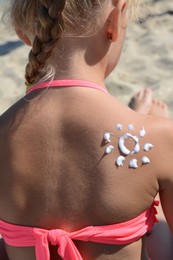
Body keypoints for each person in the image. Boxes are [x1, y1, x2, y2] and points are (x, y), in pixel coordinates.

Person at [1, 0, 173, 259]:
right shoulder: (161, 137)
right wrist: (149, 123)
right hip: (139, 136)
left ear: (23, 34)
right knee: (154, 221)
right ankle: (135, 116)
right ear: (114, 18)